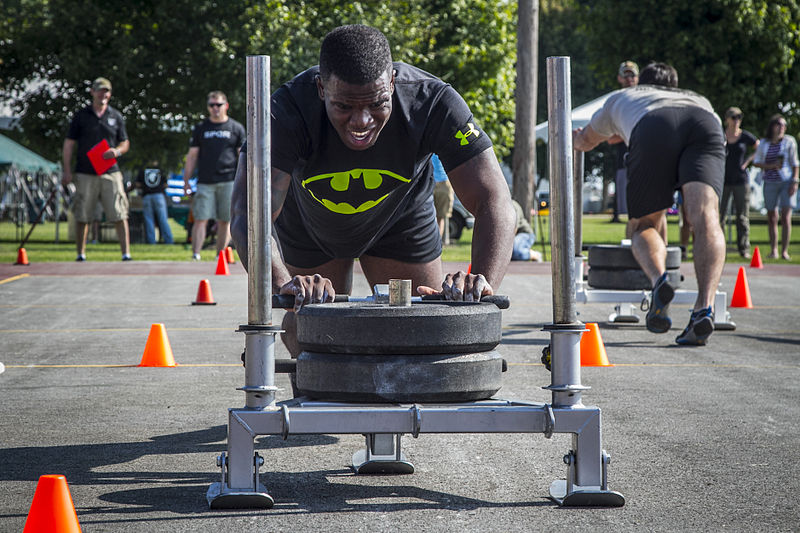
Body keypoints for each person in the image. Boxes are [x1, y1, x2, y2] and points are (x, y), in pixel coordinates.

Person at [230, 24, 515, 362]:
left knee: (421, 334)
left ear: (392, 82)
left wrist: (481, 281)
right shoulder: (286, 110)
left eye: (378, 103)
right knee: (314, 336)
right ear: (322, 88)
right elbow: (248, 213)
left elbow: (494, 200)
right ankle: (314, 400)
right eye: (344, 106)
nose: (361, 120)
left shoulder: (433, 101)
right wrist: (282, 284)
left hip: (400, 219)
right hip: (309, 224)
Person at [573, 62, 726, 346]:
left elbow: (587, 139)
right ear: (675, 84)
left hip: (654, 125)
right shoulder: (698, 98)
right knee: (707, 219)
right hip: (706, 124)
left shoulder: (624, 97)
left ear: (641, 81)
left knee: (644, 225)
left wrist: (577, 141)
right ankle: (704, 308)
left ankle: (659, 280)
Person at [62, 77, 132, 261]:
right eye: (100, 90)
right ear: (92, 92)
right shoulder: (81, 116)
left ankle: (126, 254)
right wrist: (67, 170)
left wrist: (116, 151)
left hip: (111, 171)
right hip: (86, 172)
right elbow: (69, 144)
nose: (104, 94)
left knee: (119, 212)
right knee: (83, 213)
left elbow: (125, 142)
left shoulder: (115, 116)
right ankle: (81, 253)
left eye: (107, 91)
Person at [182, 91, 245, 260]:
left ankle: (220, 256)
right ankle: (196, 254)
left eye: (218, 104)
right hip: (205, 181)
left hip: (229, 180)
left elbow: (243, 156)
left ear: (226, 105)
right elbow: (192, 156)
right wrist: (186, 181)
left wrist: (245, 180)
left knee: (226, 220)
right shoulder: (201, 128)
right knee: (200, 218)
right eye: (212, 105)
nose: (215, 108)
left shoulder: (236, 128)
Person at [752, 114, 799, 260]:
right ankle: (774, 250)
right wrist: (771, 166)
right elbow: (756, 162)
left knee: (786, 217)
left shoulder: (789, 142)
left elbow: (795, 163)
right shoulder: (765, 143)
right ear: (772, 126)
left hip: (786, 181)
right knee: (772, 217)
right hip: (770, 181)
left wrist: (795, 181)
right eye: (779, 124)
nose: (782, 127)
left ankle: (784, 251)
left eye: (784, 125)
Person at [720, 107, 758, 259]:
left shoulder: (745, 136)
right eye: (733, 117)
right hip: (723, 180)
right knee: (719, 217)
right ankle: (720, 248)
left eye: (739, 117)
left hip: (741, 181)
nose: (736, 120)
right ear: (727, 119)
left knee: (742, 217)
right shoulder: (721, 135)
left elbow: (760, 147)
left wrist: (748, 161)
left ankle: (743, 248)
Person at [609, 61, 639, 226]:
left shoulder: (646, 99)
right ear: (619, 78)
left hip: (647, 159)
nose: (629, 79)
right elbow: (611, 138)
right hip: (624, 163)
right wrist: (633, 132)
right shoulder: (616, 102)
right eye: (626, 75)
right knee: (630, 214)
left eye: (632, 75)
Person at [135, 160, 174, 244]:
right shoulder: (160, 170)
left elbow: (137, 184)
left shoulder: (143, 170)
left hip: (147, 196)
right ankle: (169, 240)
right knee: (163, 219)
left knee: (149, 220)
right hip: (159, 195)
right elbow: (166, 184)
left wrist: (145, 186)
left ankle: (151, 241)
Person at [431, 153, 454, 243]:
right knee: (428, 214)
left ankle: (436, 243)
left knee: (441, 215)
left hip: (444, 182)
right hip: (428, 181)